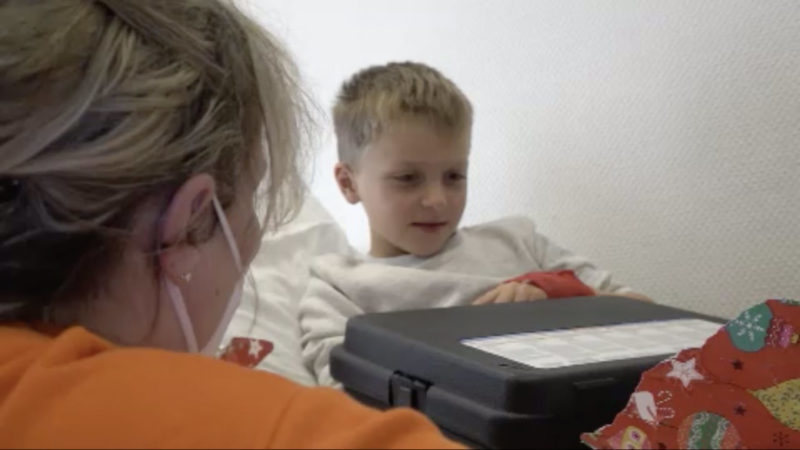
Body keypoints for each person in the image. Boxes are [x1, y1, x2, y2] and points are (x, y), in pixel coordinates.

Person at [0, 1, 461, 448]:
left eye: (456, 175)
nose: (436, 199)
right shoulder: (275, 429)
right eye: (255, 193)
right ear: (189, 223)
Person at [299, 61, 650, 387]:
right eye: (408, 178)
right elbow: (346, 396)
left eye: (454, 176)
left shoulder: (518, 241)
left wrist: (553, 295)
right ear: (349, 183)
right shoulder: (338, 287)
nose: (437, 199)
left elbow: (646, 313)